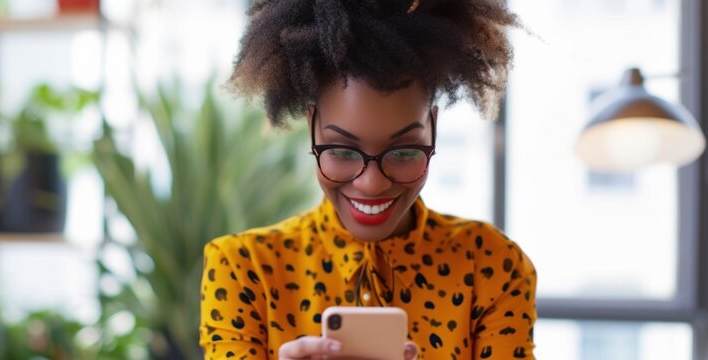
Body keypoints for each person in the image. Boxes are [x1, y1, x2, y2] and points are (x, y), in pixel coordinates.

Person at [199, 0, 536, 359]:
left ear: (433, 131)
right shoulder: (243, 270)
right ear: (313, 129)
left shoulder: (493, 268)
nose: (372, 184)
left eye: (404, 153)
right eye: (343, 152)